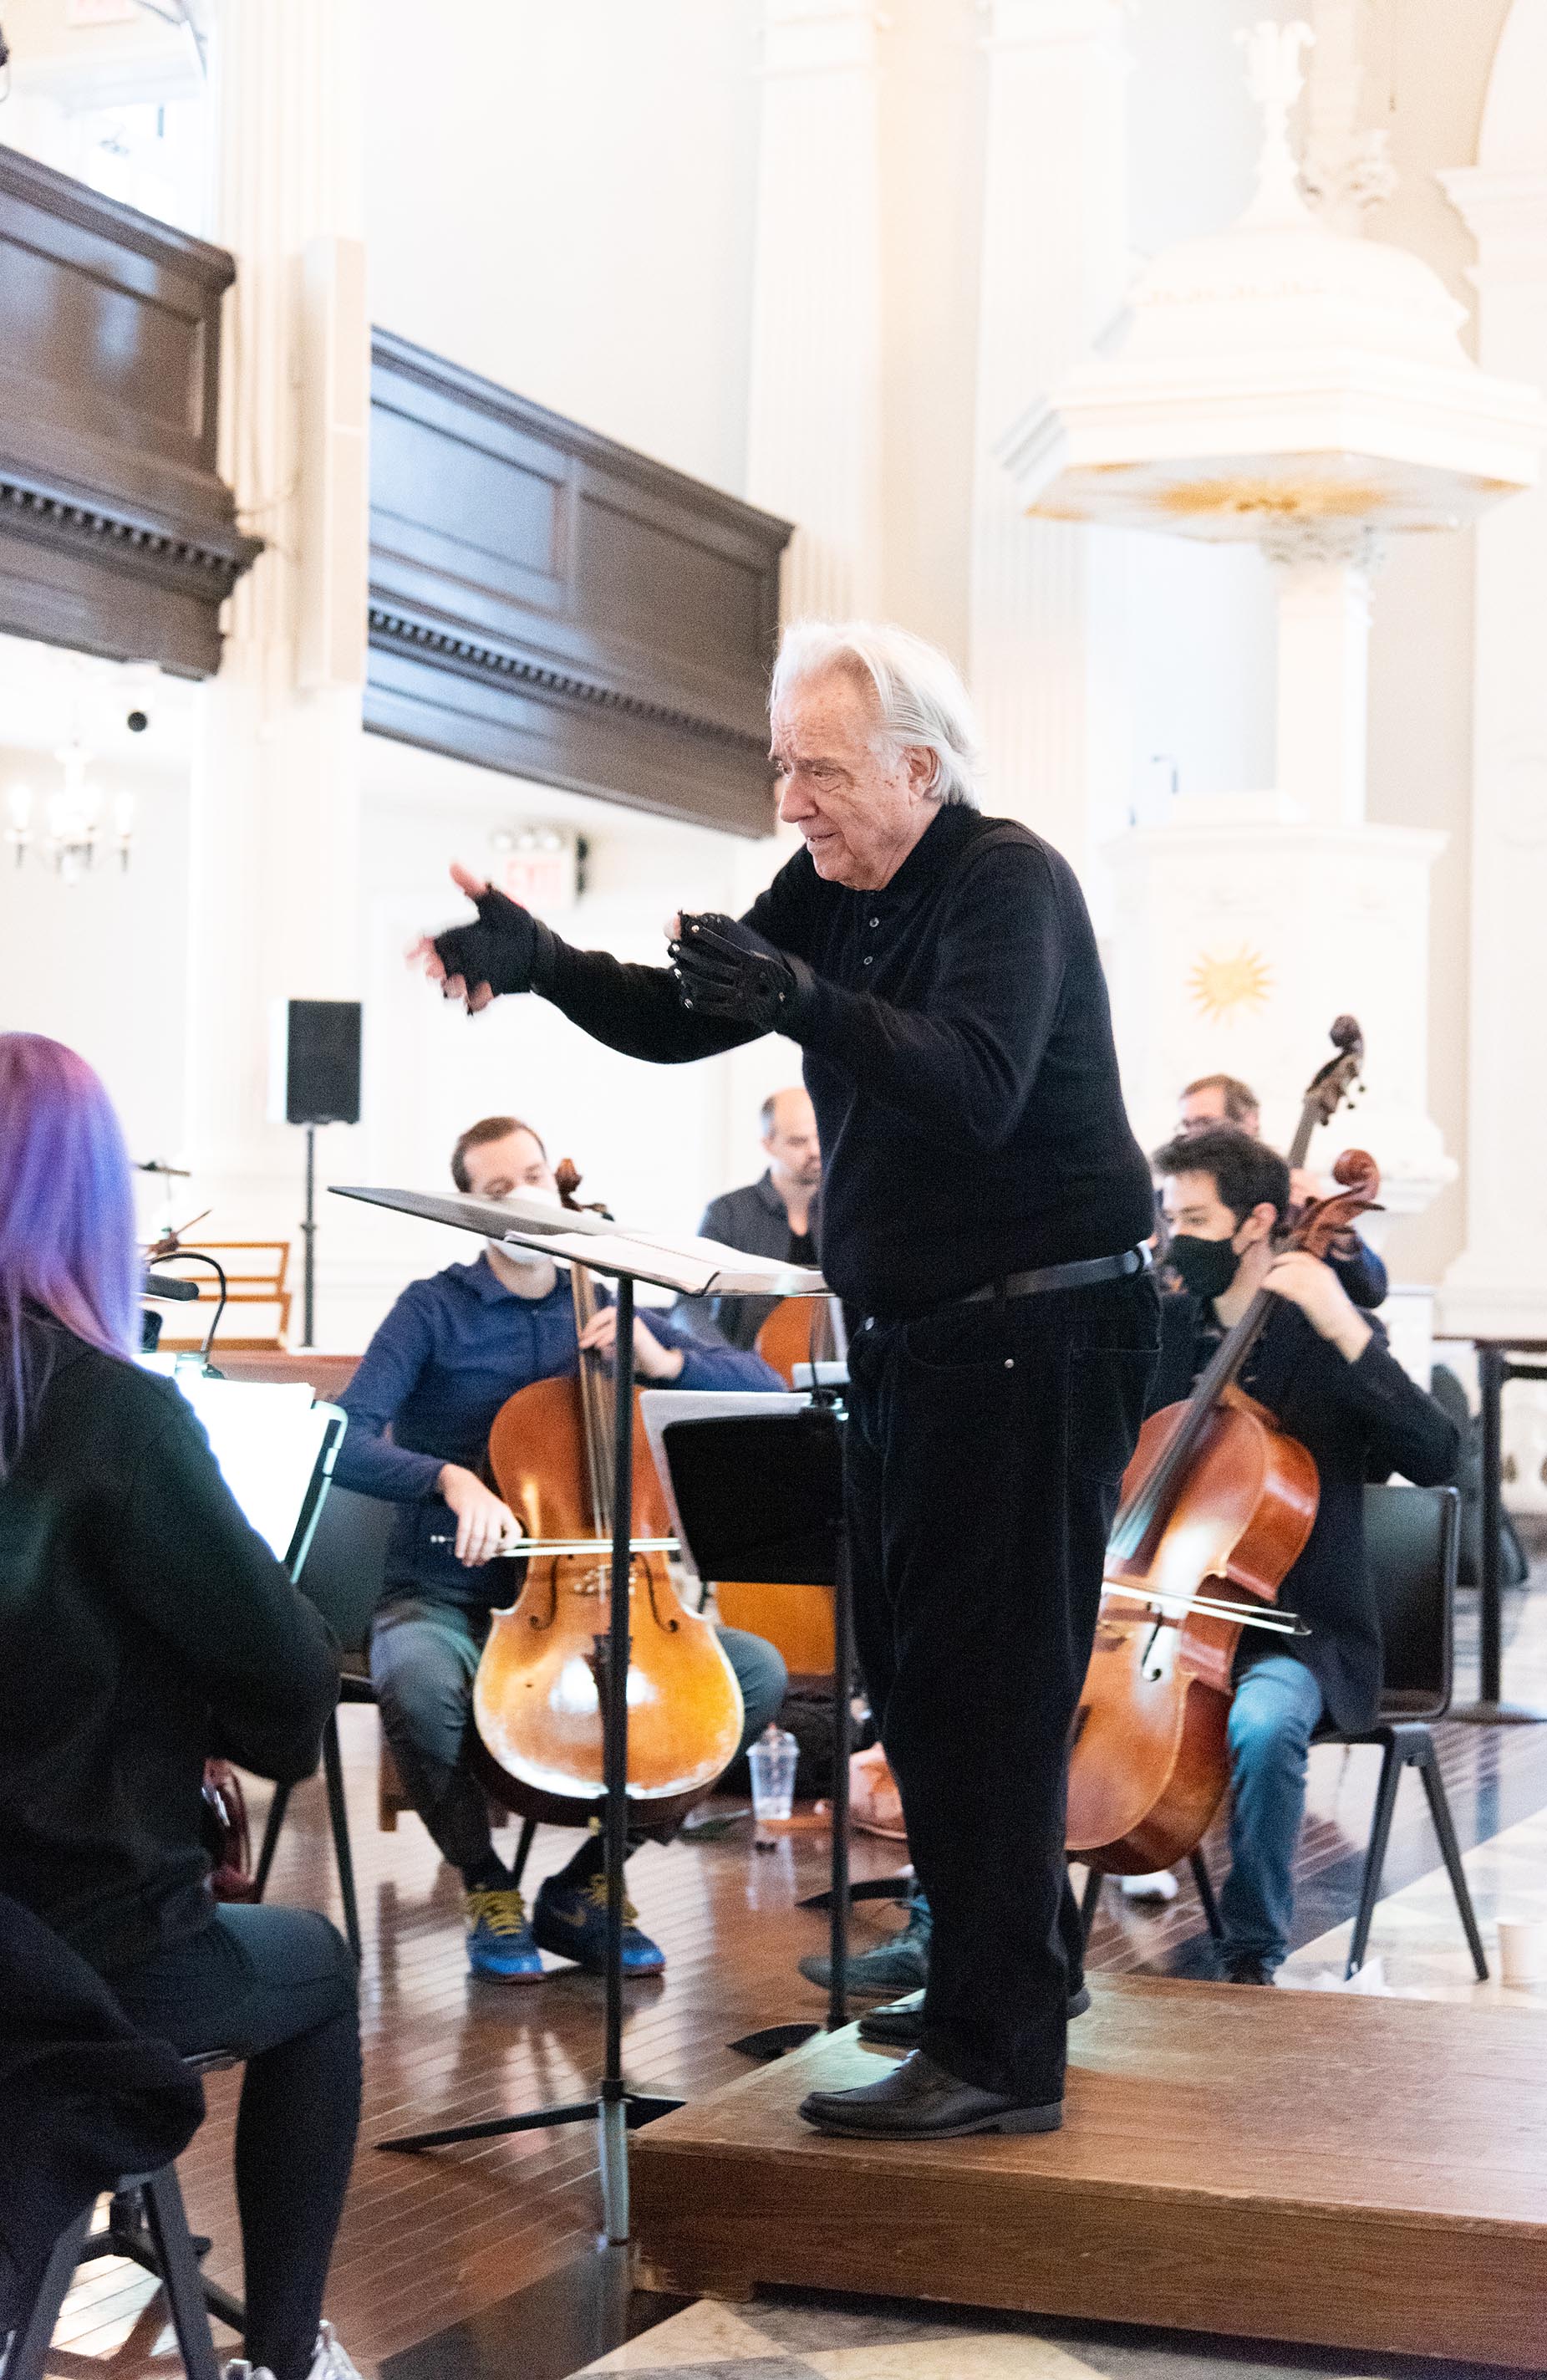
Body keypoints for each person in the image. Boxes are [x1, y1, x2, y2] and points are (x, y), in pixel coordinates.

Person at [412, 618, 1160, 2143]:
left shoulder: (1007, 878)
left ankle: (999, 2051)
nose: (791, 802)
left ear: (917, 768)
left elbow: (973, 1078)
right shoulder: (831, 884)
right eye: (779, 769)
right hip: (919, 1338)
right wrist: (543, 965)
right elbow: (695, 1013)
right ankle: (1016, 1979)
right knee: (918, 1669)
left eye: (816, 769)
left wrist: (797, 997)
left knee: (985, 1685)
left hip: (1037, 1333)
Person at [0, 1034, 362, 2380]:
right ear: (91, 1206)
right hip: (73, 1940)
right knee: (319, 1968)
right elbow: (286, 1690)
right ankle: (285, 2359)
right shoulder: (119, 1416)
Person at [333, 1113, 789, 1985]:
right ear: (466, 1207)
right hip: (450, 1587)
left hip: (613, 1601)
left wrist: (664, 1363)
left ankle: (588, 1884)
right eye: (499, 1189)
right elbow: (345, 1436)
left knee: (754, 1675)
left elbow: (763, 1389)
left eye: (535, 1176)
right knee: (421, 1681)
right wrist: (449, 1480)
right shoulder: (434, 1309)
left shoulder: (615, 1301)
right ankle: (484, 1884)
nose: (527, 1198)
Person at [1151, 1126, 1459, 1980]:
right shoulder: (1166, 1332)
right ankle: (1012, 1940)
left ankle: (1251, 1949)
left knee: (1260, 1721)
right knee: (1030, 1689)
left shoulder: (1323, 1338)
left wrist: (1343, 1326)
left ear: (1257, 1223)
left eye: (1196, 1218)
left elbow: (1438, 1455)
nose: (1178, 1238)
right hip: (1164, 1618)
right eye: (1170, 1216)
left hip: (1295, 1630)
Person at [1175, 1069, 1387, 1312]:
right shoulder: (1174, 1201)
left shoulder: (1292, 1199)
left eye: (1205, 1123)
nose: (1193, 1137)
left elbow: (1372, 1291)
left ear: (1249, 1120)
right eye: (1187, 1125)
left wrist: (1334, 1226)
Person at [675, 1085, 823, 1349]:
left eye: (820, 1136)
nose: (814, 1150)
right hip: (752, 1375)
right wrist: (729, 1364)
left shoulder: (847, 1212)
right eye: (798, 1141)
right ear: (768, 1144)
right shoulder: (728, 1213)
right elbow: (689, 1308)